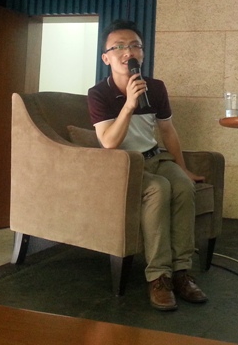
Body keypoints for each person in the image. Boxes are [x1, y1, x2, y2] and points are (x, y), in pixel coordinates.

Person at [87, 19, 208, 311]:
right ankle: (158, 278)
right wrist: (129, 104)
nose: (128, 52)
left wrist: (183, 167)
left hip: (155, 157)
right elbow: (109, 142)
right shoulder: (98, 94)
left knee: (182, 185)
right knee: (158, 189)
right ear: (106, 58)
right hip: (124, 166)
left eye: (135, 46)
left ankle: (181, 272)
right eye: (119, 47)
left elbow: (167, 130)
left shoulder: (155, 87)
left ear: (142, 53)